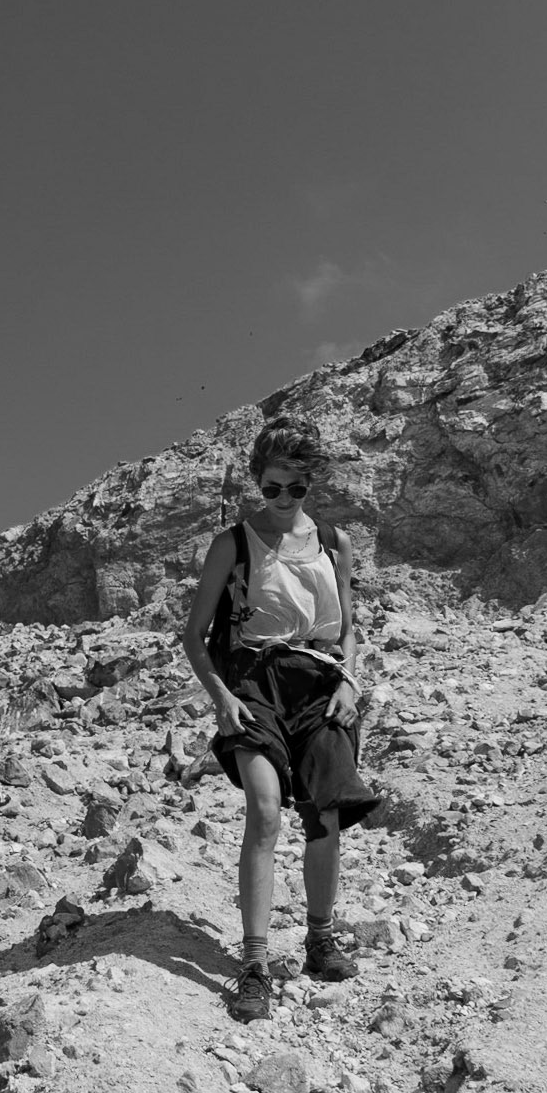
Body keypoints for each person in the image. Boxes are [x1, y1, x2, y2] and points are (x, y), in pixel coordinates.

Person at [181, 418, 380, 1023]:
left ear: (310, 484)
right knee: (265, 808)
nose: (283, 500)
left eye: (295, 488)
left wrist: (349, 682)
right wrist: (221, 698)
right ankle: (254, 964)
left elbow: (347, 628)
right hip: (254, 682)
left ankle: (320, 941)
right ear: (256, 483)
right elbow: (193, 636)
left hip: (320, 682)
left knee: (324, 812)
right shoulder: (233, 544)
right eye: (272, 488)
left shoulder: (334, 542)